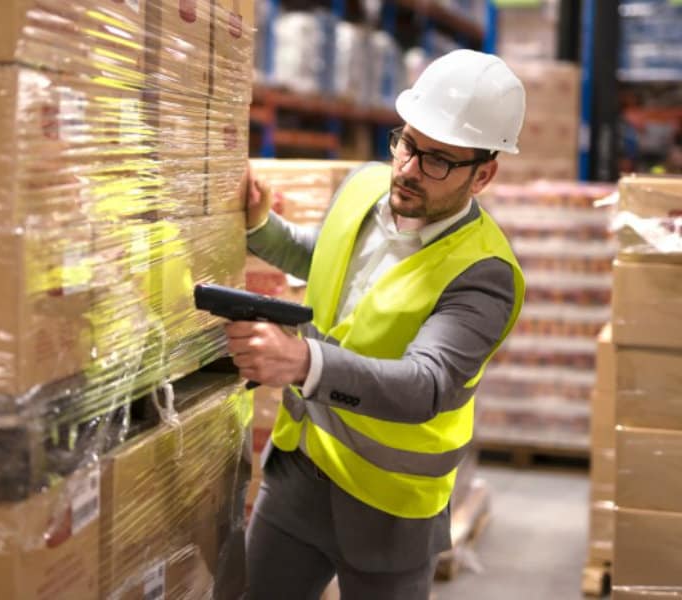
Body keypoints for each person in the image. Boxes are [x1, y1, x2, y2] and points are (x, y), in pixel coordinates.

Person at [226, 49, 527, 600]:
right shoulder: (366, 187)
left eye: (438, 160)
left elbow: (427, 384)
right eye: (408, 143)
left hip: (390, 506)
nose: (409, 168)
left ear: (483, 174)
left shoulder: (485, 274)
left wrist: (302, 361)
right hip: (302, 469)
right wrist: (261, 227)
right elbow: (328, 259)